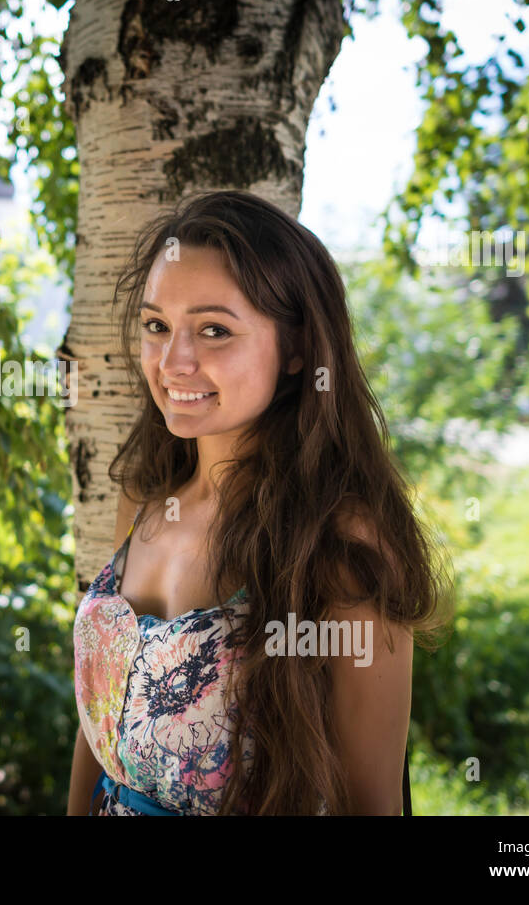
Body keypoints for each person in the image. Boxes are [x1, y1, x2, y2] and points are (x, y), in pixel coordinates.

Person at [68, 190, 454, 815]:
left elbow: (369, 804)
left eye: (214, 330)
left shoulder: (340, 541)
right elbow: (96, 726)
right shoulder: (143, 497)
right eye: (157, 325)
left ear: (299, 349)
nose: (173, 362)